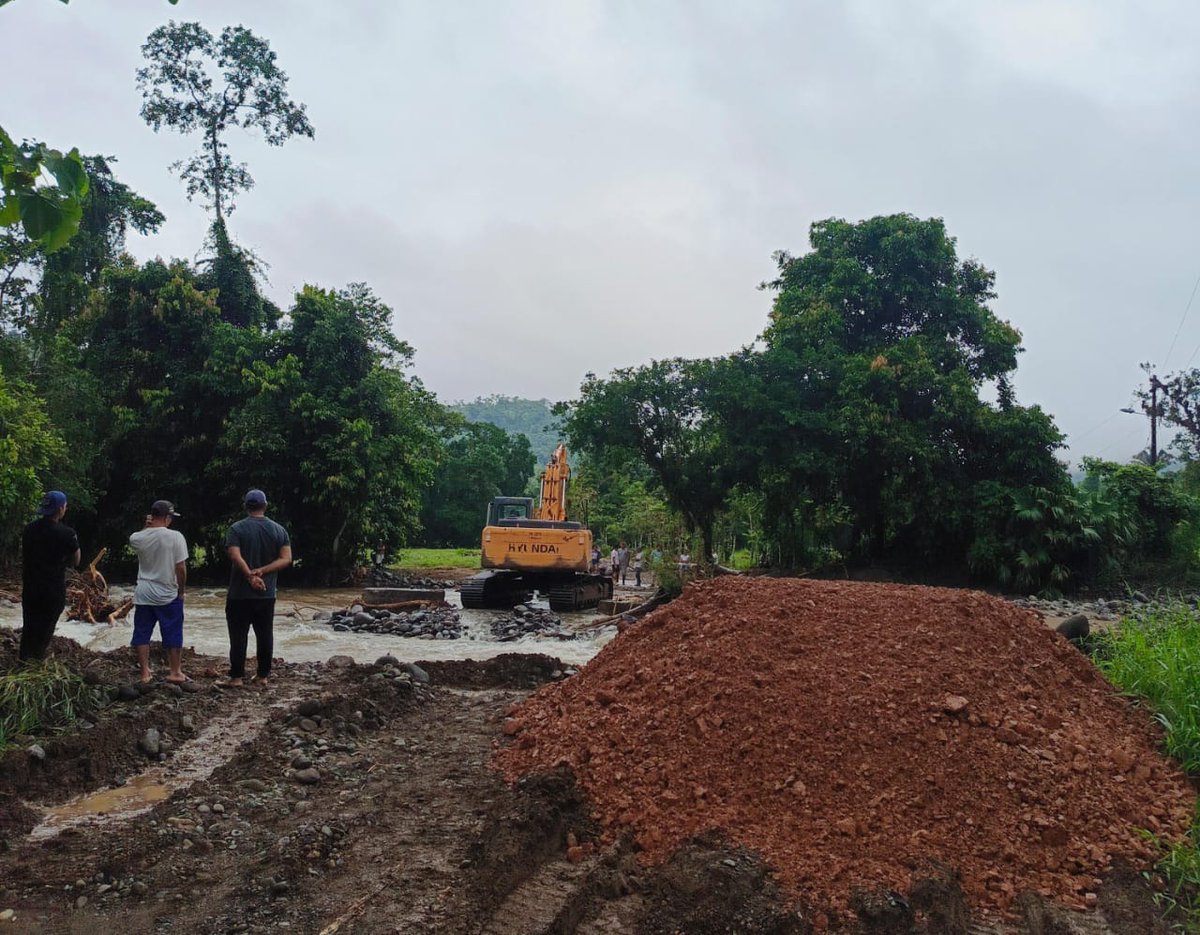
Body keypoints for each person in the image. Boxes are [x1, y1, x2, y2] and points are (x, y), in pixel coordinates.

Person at [225, 489, 292, 687]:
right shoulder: (279, 530)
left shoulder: (236, 529)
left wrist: (249, 576)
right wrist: (261, 572)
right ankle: (262, 675)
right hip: (266, 594)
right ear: (266, 505)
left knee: (238, 635)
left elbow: (235, 556)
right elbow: (286, 559)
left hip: (239, 594)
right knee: (265, 634)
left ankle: (236, 677)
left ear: (245, 506)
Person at [129, 500, 189, 684]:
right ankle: (175, 671)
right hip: (167, 593)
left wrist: (145, 526)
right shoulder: (175, 537)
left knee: (142, 632)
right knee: (173, 631)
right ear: (167, 518)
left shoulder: (137, 537)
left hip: (144, 592)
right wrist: (181, 591)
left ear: (151, 517)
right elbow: (181, 568)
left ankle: (145, 673)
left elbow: (137, 538)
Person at [19, 491, 80, 661]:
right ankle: (37, 659)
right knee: (46, 625)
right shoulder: (67, 533)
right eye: (65, 506)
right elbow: (76, 560)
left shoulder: (29, 529)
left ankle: (24, 659)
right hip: (53, 588)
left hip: (30, 586)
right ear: (61, 508)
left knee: (29, 624)